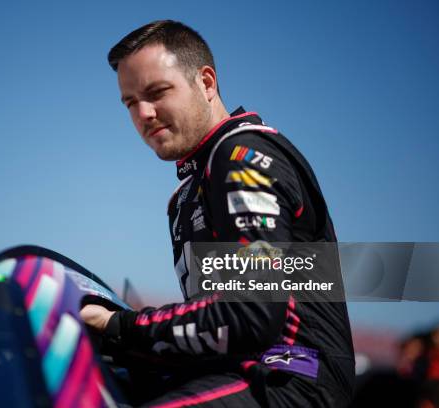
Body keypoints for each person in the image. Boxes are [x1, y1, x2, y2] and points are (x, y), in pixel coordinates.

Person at [81, 20, 355, 407]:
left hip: (292, 381)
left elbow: (250, 315)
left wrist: (118, 325)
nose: (143, 113)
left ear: (206, 83)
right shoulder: (191, 189)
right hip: (239, 371)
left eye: (157, 92)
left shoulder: (241, 155)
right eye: (130, 103)